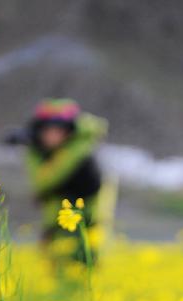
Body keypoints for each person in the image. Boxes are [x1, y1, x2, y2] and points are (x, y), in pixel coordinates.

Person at [6, 99, 108, 267]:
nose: (52, 136)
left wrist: (31, 146)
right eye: (47, 130)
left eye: (58, 130)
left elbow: (45, 181)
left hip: (81, 229)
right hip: (55, 227)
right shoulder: (51, 153)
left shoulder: (81, 158)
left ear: (69, 133)